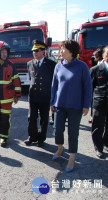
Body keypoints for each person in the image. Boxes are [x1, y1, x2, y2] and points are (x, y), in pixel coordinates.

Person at [51, 40, 92, 172]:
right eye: (61, 48)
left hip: (76, 106)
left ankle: (72, 157)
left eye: (64, 49)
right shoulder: (58, 66)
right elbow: (54, 86)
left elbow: (88, 87)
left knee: (73, 133)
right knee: (57, 129)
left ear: (72, 52)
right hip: (60, 105)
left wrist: (86, 104)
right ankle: (60, 148)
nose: (61, 51)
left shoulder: (82, 66)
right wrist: (52, 102)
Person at [25, 40, 56, 147]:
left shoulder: (51, 64)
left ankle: (41, 138)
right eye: (33, 50)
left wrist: (54, 98)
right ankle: (32, 137)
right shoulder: (30, 64)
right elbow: (31, 79)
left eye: (37, 50)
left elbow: (55, 82)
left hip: (45, 96)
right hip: (33, 96)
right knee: (31, 118)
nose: (34, 52)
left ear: (44, 51)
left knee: (44, 118)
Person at [90, 46, 108, 159]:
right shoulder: (95, 70)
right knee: (97, 126)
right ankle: (98, 147)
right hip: (99, 102)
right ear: (103, 55)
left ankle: (106, 142)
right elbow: (90, 88)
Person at [89, 48, 104, 124]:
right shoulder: (96, 66)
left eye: (95, 56)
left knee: (93, 101)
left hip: (97, 90)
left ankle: (92, 116)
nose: (93, 57)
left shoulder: (98, 67)